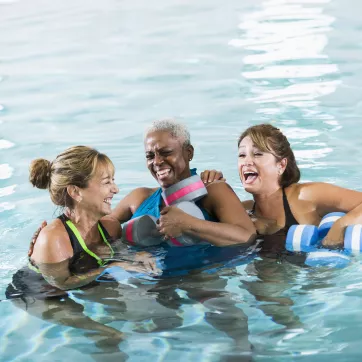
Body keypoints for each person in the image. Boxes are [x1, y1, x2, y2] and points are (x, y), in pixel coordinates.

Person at [202, 123, 362, 249]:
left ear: (281, 164)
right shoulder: (244, 211)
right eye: (242, 155)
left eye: (258, 154)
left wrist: (340, 226)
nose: (247, 162)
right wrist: (208, 185)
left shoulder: (305, 196)